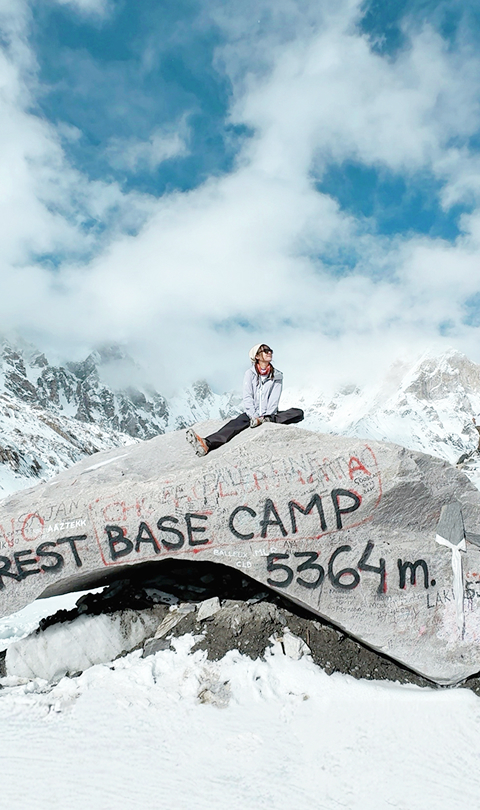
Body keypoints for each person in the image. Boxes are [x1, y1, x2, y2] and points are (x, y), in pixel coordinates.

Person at [186, 343, 304, 456]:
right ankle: (206, 444)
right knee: (233, 425)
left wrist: (266, 417)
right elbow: (248, 396)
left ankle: (266, 420)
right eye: (265, 351)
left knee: (298, 413)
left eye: (270, 351)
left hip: (270, 415)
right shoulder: (250, 374)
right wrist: (254, 416)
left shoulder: (277, 375)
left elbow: (274, 398)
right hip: (252, 414)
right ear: (257, 356)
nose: (269, 353)